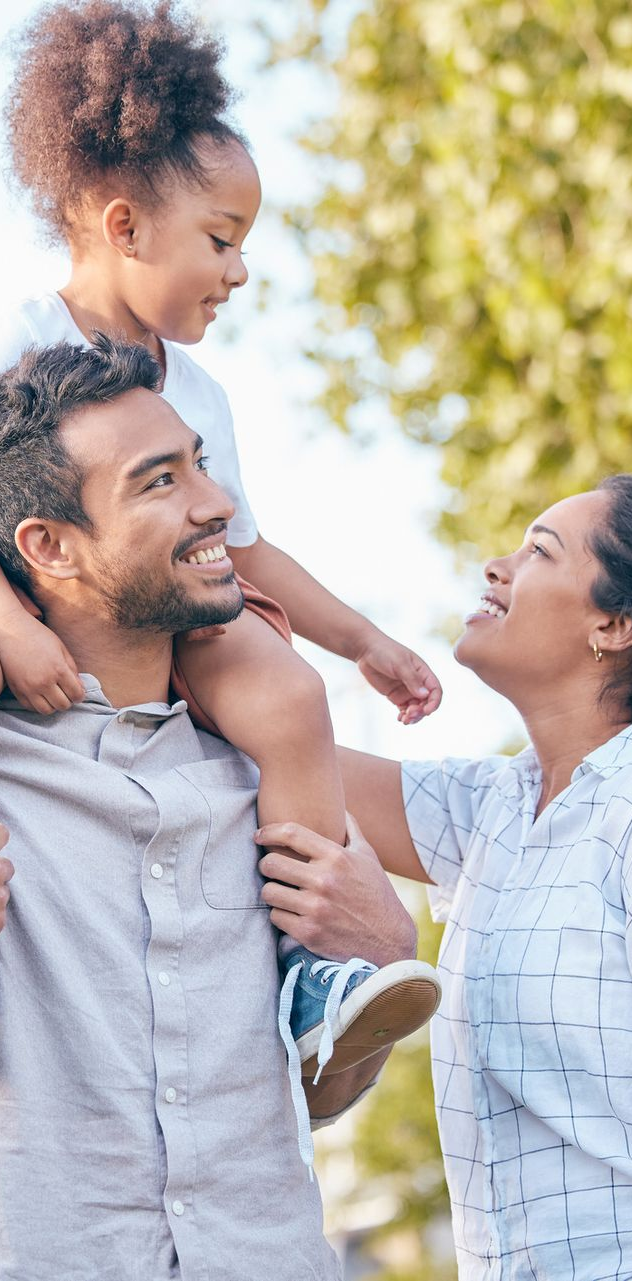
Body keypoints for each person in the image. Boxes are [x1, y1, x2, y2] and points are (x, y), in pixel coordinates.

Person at [0, 0, 441, 1085]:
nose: (238, 272)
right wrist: (9, 625)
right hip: (37, 599)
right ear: (120, 225)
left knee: (287, 698)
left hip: (162, 614)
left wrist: (361, 642)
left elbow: (242, 547)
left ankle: (308, 975)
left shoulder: (194, 391)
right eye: (221, 240)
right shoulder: (23, 340)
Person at [0, 334, 422, 1281]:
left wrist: (379, 953)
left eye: (200, 462)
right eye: (160, 482)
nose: (217, 503)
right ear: (49, 547)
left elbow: (326, 1093)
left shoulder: (272, 771)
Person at [259, 478, 632, 1280]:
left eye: (538, 550)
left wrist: (391, 946)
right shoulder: (493, 806)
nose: (496, 567)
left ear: (614, 623)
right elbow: (274, 735)